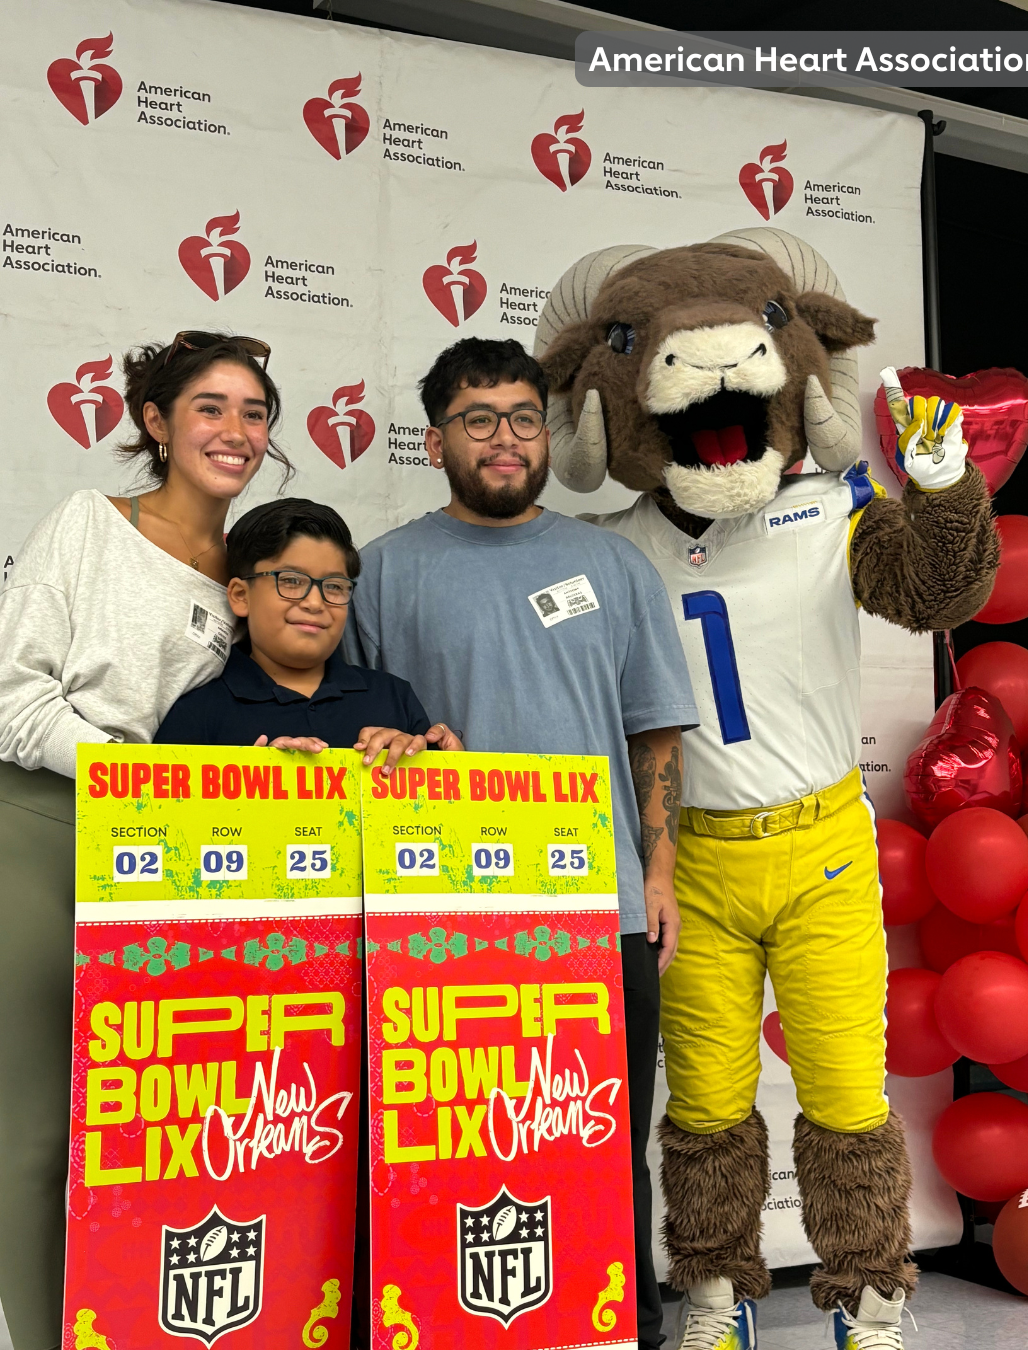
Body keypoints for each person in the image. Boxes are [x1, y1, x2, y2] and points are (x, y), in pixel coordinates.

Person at [344, 336, 700, 1350]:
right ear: (435, 440)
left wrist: (660, 869)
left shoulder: (613, 566)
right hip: (440, 926)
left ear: (545, 434)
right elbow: (355, 744)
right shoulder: (380, 574)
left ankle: (621, 1332)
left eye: (521, 418)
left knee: (599, 1147)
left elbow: (654, 729)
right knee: (438, 1154)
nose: (505, 440)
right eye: (479, 420)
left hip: (602, 918)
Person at [0, 331, 285, 1350]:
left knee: (164, 1135)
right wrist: (140, 779)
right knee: (38, 1137)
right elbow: (13, 698)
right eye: (210, 408)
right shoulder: (89, 522)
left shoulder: (258, 572)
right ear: (158, 424)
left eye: (253, 412)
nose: (235, 431)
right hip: (44, 827)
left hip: (178, 858)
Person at [155, 497, 460, 764]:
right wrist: (247, 787)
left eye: (335, 586)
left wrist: (422, 761)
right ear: (240, 596)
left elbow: (442, 818)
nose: (315, 602)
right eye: (290, 581)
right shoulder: (195, 712)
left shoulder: (393, 697)